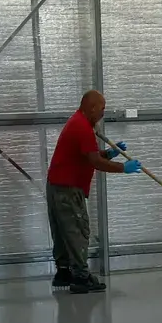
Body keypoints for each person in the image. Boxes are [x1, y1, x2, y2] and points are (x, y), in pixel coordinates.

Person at [47, 89, 141, 295]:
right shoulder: (82, 127)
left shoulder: (79, 122)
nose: (103, 113)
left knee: (64, 233)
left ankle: (63, 272)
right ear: (91, 108)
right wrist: (122, 167)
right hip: (67, 190)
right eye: (102, 108)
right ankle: (80, 277)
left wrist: (109, 152)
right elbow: (95, 162)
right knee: (78, 231)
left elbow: (87, 155)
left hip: (58, 186)